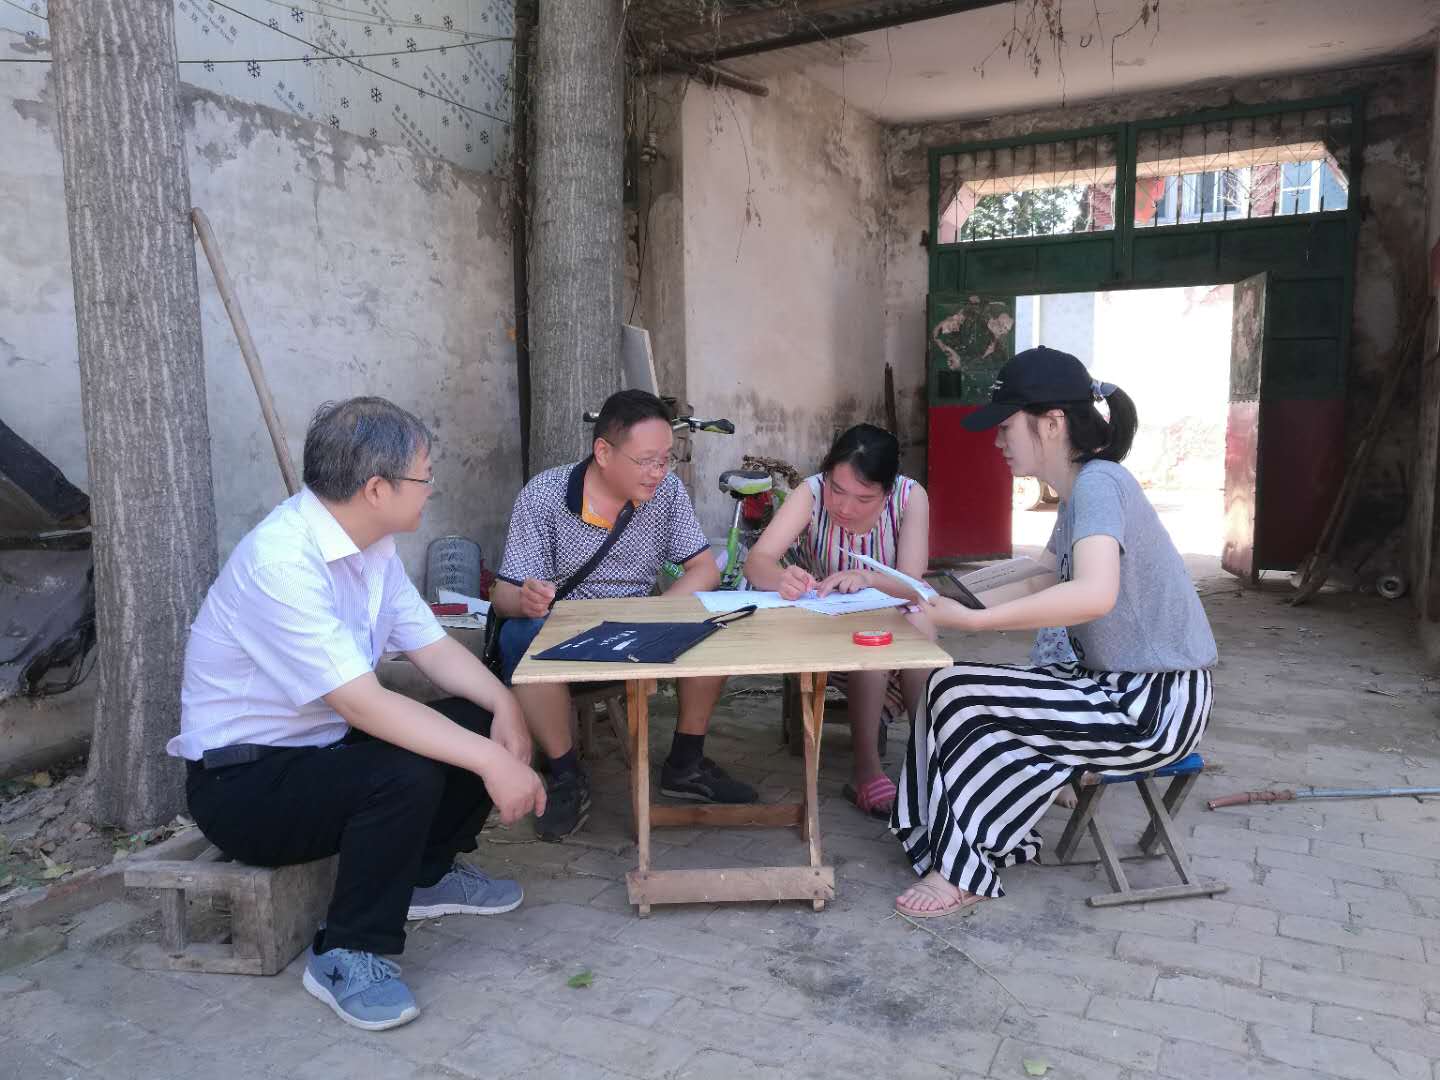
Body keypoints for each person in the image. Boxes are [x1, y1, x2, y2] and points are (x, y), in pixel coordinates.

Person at [170, 397, 546, 1031]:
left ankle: (425, 875)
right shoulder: (282, 562)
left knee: (475, 719)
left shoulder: (371, 549)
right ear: (377, 488)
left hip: (323, 754)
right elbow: (363, 705)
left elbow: (431, 647)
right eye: (424, 476)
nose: (431, 489)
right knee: (406, 772)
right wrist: (491, 762)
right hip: (244, 784)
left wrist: (504, 704)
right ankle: (347, 951)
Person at [891, 346, 1217, 918]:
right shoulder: (1081, 490)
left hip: (1152, 705)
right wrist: (934, 599)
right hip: (1116, 686)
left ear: (1051, 423)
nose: (998, 441)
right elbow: (1042, 573)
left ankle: (964, 869)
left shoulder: (1099, 484)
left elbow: (1094, 593)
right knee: (954, 687)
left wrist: (971, 620)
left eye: (1006, 426)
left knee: (959, 692)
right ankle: (950, 837)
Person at [491, 389, 756, 842]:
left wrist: (657, 614)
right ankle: (566, 775)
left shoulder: (666, 493)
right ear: (603, 452)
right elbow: (503, 595)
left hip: (639, 627)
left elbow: (704, 570)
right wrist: (527, 600)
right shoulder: (546, 495)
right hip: (565, 633)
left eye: (666, 460)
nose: (659, 472)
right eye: (647, 461)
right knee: (519, 635)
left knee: (715, 621)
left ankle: (686, 762)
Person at [744, 424, 931, 818]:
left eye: (864, 498)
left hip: (896, 616)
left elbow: (912, 584)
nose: (845, 507)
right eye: (837, 489)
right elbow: (758, 561)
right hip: (828, 624)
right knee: (871, 641)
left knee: (921, 630)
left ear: (887, 491)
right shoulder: (810, 493)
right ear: (826, 474)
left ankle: (929, 761)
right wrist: (781, 579)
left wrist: (868, 578)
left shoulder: (911, 497)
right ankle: (867, 771)